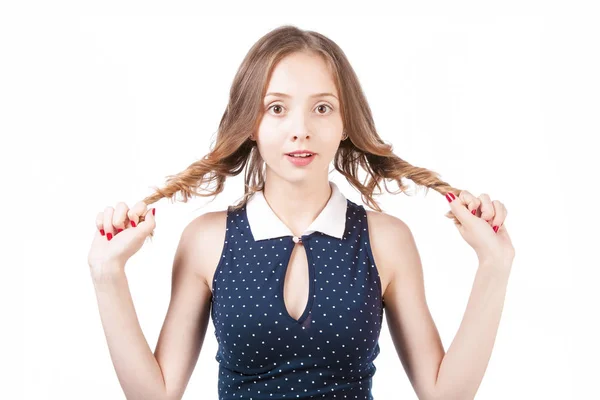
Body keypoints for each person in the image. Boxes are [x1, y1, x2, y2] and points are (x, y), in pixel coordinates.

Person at [87, 25, 515, 400]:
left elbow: (444, 393)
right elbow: (156, 394)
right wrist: (108, 275)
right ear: (251, 124)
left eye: (322, 107)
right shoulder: (206, 241)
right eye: (277, 108)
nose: (301, 128)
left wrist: (494, 265)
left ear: (345, 121)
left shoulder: (386, 240)